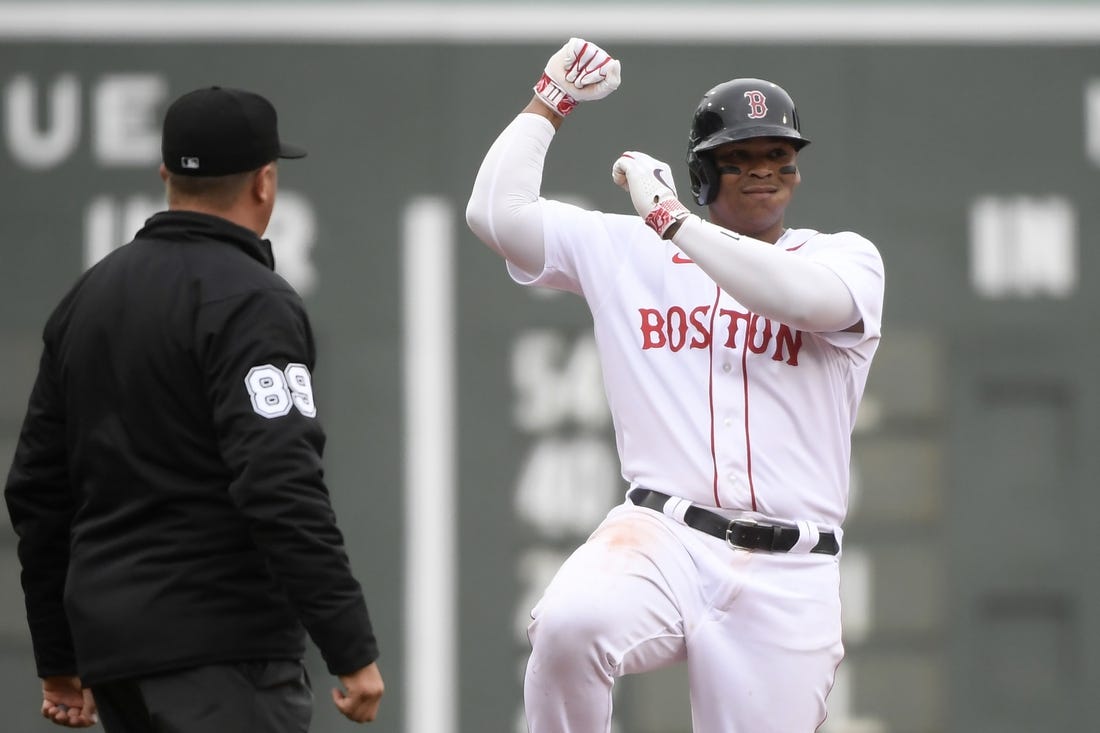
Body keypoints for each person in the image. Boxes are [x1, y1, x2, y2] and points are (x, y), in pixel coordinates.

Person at [466, 38, 884, 732]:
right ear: (701, 172)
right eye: (738, 158)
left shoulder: (845, 258)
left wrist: (673, 221)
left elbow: (798, 300)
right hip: (664, 533)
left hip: (790, 571)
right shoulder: (628, 249)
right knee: (571, 623)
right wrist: (550, 102)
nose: (763, 171)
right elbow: (495, 215)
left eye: (777, 156)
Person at [5, 86, 384, 731]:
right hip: (225, 659)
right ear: (265, 183)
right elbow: (278, 482)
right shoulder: (254, 302)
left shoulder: (88, 297)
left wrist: (58, 653)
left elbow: (36, 490)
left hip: (116, 660)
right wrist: (349, 645)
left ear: (165, 176)